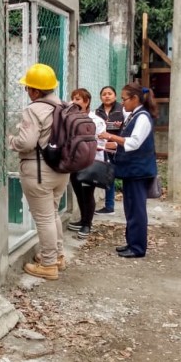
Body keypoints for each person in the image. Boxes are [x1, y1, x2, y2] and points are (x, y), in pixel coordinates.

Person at [8, 63, 69, 280]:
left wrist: (11, 141)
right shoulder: (64, 105)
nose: (27, 92)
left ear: (35, 90)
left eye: (28, 88)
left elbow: (26, 143)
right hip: (62, 169)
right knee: (52, 214)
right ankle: (57, 256)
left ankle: (49, 264)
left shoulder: (33, 110)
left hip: (39, 170)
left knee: (43, 219)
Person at [99, 83, 158, 258]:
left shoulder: (142, 117)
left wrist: (111, 136)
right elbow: (126, 143)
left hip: (138, 172)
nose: (122, 103)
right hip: (131, 171)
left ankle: (138, 247)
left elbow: (133, 143)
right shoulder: (133, 115)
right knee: (130, 209)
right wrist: (110, 146)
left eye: (124, 99)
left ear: (135, 99)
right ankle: (131, 242)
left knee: (137, 210)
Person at [66, 88, 106, 239]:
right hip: (74, 161)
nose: (75, 102)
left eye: (78, 99)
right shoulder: (70, 119)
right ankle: (83, 219)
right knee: (78, 192)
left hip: (91, 161)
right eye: (73, 99)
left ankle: (87, 224)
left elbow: (102, 142)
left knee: (88, 193)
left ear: (86, 101)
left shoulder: (96, 121)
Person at [94, 85, 125, 215]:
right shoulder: (97, 112)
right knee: (108, 175)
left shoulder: (122, 110)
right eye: (104, 94)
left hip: (119, 147)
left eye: (109, 93)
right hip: (103, 148)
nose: (107, 96)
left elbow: (127, 130)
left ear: (115, 96)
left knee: (123, 174)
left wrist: (117, 143)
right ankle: (109, 206)